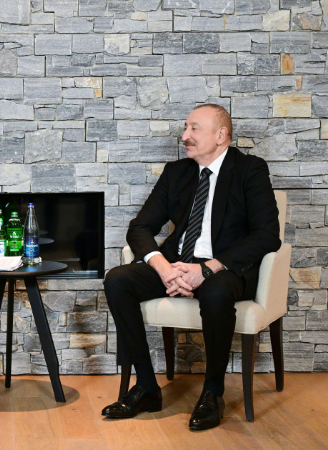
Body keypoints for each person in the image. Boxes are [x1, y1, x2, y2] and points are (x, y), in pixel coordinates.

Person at [101, 104, 281, 430]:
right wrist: (163, 268)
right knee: (117, 280)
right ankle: (146, 387)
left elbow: (267, 235)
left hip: (224, 269)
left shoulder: (249, 169)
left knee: (216, 293)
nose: (185, 136)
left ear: (221, 135)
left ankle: (213, 393)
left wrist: (207, 269)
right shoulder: (177, 172)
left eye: (194, 128)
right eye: (186, 128)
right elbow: (140, 227)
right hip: (176, 263)